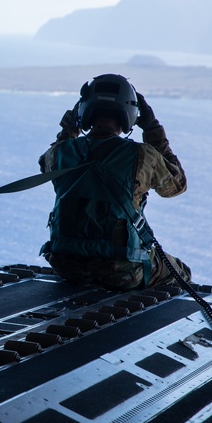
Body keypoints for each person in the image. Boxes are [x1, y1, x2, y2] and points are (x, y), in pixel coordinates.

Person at [39, 74, 191, 290]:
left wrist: (70, 127)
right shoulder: (143, 155)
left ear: (85, 112)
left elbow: (45, 163)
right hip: (122, 271)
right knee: (181, 271)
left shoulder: (61, 153)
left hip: (65, 265)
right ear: (130, 114)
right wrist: (152, 129)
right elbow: (176, 186)